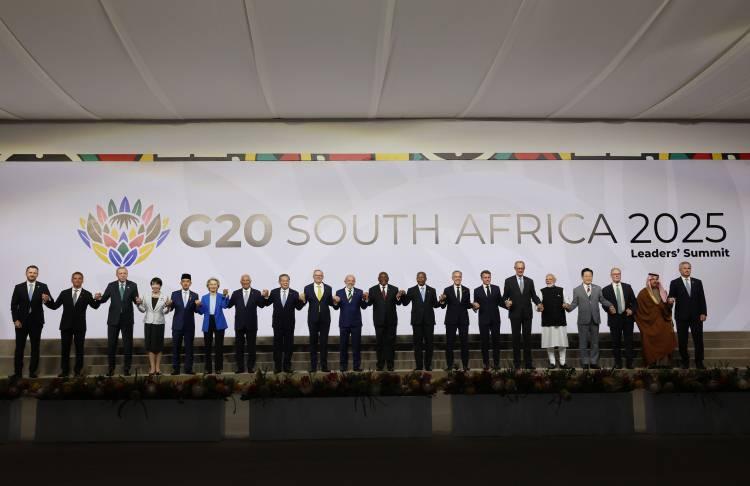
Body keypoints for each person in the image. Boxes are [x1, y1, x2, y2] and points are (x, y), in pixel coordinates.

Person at [47, 271, 100, 377]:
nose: (77, 280)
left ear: (82, 280)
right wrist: (47, 301)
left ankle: (77, 371)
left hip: (80, 326)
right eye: (75, 278)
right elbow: (54, 306)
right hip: (65, 325)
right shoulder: (64, 293)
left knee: (79, 350)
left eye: (79, 278)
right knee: (65, 350)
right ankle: (64, 371)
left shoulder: (87, 294)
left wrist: (98, 299)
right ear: (72, 280)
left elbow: (94, 306)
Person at [564, 268, 615, 369]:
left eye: (590, 276)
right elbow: (574, 303)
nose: (588, 278)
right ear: (582, 277)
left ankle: (594, 362)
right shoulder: (577, 290)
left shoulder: (598, 288)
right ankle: (584, 362)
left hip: (595, 319)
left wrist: (610, 305)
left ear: (592, 277)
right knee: (583, 342)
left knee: (595, 343)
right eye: (586, 276)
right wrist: (568, 307)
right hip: (582, 320)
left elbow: (602, 300)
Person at [95, 266, 140, 376]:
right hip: (113, 320)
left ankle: (127, 369)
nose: (123, 275)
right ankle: (111, 369)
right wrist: (98, 298)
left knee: (128, 345)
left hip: (127, 320)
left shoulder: (133, 285)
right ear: (117, 275)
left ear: (127, 274)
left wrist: (138, 301)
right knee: (111, 345)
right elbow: (104, 299)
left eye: (124, 273)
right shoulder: (111, 285)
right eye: (120, 273)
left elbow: (136, 300)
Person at [10, 265, 54, 378]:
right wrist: (15, 319)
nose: (32, 274)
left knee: (35, 348)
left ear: (37, 274)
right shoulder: (18, 287)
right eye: (30, 272)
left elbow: (51, 303)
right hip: (21, 322)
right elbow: (14, 305)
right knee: (19, 348)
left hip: (36, 322)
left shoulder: (43, 286)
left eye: (34, 273)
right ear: (26, 273)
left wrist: (47, 299)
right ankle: (18, 373)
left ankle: (32, 372)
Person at [226, 274, 269, 374]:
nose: (245, 282)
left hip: (252, 324)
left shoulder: (257, 293)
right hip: (239, 325)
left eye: (247, 280)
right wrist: (226, 296)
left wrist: (265, 297)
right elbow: (229, 305)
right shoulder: (236, 293)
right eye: (243, 280)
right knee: (239, 348)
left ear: (250, 281)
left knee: (251, 348)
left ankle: (250, 367)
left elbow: (262, 305)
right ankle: (240, 368)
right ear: (241, 282)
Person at [668, 262, 707, 369]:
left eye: (689, 268)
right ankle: (685, 361)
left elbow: (702, 298)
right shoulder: (674, 283)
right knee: (682, 341)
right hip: (681, 317)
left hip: (696, 316)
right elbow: (671, 296)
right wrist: (670, 301)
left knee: (698, 340)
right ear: (680, 270)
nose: (687, 270)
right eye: (684, 268)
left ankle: (699, 362)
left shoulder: (697, 282)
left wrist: (703, 312)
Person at [503, 261, 542, 369]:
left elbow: (534, 295)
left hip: (527, 314)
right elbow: (504, 296)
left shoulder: (530, 281)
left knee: (527, 339)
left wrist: (539, 303)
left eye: (522, 268)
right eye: (518, 268)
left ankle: (528, 364)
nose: (520, 270)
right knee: (516, 339)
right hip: (514, 314)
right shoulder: (508, 281)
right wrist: (506, 302)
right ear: (515, 268)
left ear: (524, 269)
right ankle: (517, 364)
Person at [400, 271, 441, 371]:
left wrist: (441, 301)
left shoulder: (432, 290)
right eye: (419, 277)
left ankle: (428, 366)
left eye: (423, 277)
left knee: (429, 344)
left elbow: (435, 304)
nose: (421, 279)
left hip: (429, 321)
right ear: (416, 279)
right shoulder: (411, 290)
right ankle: (419, 366)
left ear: (426, 279)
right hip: (416, 322)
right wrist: (403, 295)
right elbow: (405, 303)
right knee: (417, 344)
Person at [265, 274, 305, 373]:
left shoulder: (294, 293)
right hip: (277, 324)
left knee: (289, 346)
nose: (285, 282)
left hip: (289, 324)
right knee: (277, 346)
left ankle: (287, 367)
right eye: (283, 280)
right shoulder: (274, 292)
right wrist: (265, 297)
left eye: (287, 281)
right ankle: (277, 367)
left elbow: (298, 308)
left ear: (289, 282)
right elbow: (267, 303)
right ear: (279, 282)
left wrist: (303, 300)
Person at [636, 273, 677, 367]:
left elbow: (667, 308)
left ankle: (664, 364)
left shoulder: (663, 292)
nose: (655, 281)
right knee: (648, 339)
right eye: (653, 279)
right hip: (650, 323)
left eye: (656, 279)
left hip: (663, 321)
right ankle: (652, 363)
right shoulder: (643, 293)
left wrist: (670, 303)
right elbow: (639, 309)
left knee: (667, 337)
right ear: (649, 281)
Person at [364, 272, 403, 371]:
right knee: (379, 344)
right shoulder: (372, 289)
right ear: (378, 279)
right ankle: (380, 365)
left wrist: (398, 297)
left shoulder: (394, 289)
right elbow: (369, 303)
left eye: (385, 277)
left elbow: (398, 303)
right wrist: (366, 298)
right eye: (381, 277)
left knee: (391, 344)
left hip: (391, 321)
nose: (383, 278)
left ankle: (390, 365)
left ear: (388, 278)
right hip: (379, 321)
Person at [602, 267, 638, 369]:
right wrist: (609, 309)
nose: (617, 275)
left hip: (627, 318)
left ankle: (629, 363)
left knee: (629, 342)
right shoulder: (605, 289)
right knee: (615, 342)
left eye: (618, 274)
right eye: (614, 274)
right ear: (611, 276)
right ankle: (618, 363)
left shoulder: (627, 287)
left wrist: (632, 310)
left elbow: (635, 302)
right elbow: (604, 304)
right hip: (614, 319)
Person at [332, 274, 369, 372]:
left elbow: (364, 306)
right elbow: (336, 308)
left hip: (356, 324)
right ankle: (343, 366)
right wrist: (335, 302)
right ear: (345, 281)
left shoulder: (360, 292)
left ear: (354, 282)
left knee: (356, 346)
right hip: (344, 323)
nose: (350, 282)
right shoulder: (339, 292)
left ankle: (356, 366)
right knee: (343, 346)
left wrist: (365, 299)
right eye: (349, 280)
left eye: (352, 281)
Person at [473, 270, 508, 370]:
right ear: (481, 278)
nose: (487, 279)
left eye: (489, 277)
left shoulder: (496, 288)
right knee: (484, 343)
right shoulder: (477, 290)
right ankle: (486, 363)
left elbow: (500, 302)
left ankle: (496, 364)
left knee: (496, 342)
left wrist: (507, 305)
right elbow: (475, 305)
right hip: (483, 320)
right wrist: (475, 307)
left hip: (495, 319)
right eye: (485, 277)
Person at [300, 269, 335, 372]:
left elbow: (330, 303)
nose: (318, 277)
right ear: (313, 276)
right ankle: (313, 367)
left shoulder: (328, 288)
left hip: (325, 319)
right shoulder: (307, 288)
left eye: (320, 275)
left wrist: (335, 301)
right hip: (312, 319)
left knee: (324, 343)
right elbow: (304, 303)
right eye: (316, 275)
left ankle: (324, 366)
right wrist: (301, 300)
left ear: (323, 276)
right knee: (313, 343)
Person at [166, 274, 199, 375]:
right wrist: (168, 305)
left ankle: (188, 369)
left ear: (190, 283)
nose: (185, 283)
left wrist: (198, 305)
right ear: (180, 283)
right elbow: (171, 308)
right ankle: (176, 369)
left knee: (189, 348)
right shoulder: (174, 294)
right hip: (177, 325)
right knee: (176, 348)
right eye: (183, 281)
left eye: (187, 281)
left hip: (189, 326)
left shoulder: (195, 295)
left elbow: (196, 310)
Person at [195, 278, 230, 374]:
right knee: (207, 347)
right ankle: (208, 369)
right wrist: (198, 305)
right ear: (208, 286)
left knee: (219, 347)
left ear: (218, 286)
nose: (213, 286)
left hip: (219, 322)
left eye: (215, 284)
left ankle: (218, 368)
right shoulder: (204, 297)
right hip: (208, 322)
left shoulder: (221, 296)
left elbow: (224, 306)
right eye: (211, 284)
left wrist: (225, 296)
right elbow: (201, 312)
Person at [137, 277, 171, 375]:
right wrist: (138, 304)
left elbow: (165, 312)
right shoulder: (146, 295)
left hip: (159, 323)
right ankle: (152, 368)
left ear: (160, 286)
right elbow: (143, 309)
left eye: (157, 284)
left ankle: (158, 368)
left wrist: (168, 306)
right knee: (150, 346)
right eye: (153, 284)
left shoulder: (165, 296)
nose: (155, 286)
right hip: (148, 323)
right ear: (151, 285)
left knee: (159, 346)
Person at [439, 270, 472, 371]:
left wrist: (474, 305)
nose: (458, 278)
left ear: (461, 278)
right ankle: (449, 366)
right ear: (452, 278)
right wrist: (442, 300)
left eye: (459, 276)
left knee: (464, 343)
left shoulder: (466, 290)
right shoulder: (447, 290)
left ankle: (465, 366)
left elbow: (467, 305)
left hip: (463, 320)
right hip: (451, 320)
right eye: (456, 276)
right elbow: (443, 306)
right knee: (449, 344)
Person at [539, 273, 568, 369]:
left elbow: (567, 302)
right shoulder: (542, 291)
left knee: (562, 344)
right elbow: (538, 305)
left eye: (550, 279)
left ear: (554, 280)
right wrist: (539, 307)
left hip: (560, 321)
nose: (548, 280)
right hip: (547, 321)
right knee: (549, 343)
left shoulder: (561, 290)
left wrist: (566, 305)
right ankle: (552, 363)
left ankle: (563, 363)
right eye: (546, 279)